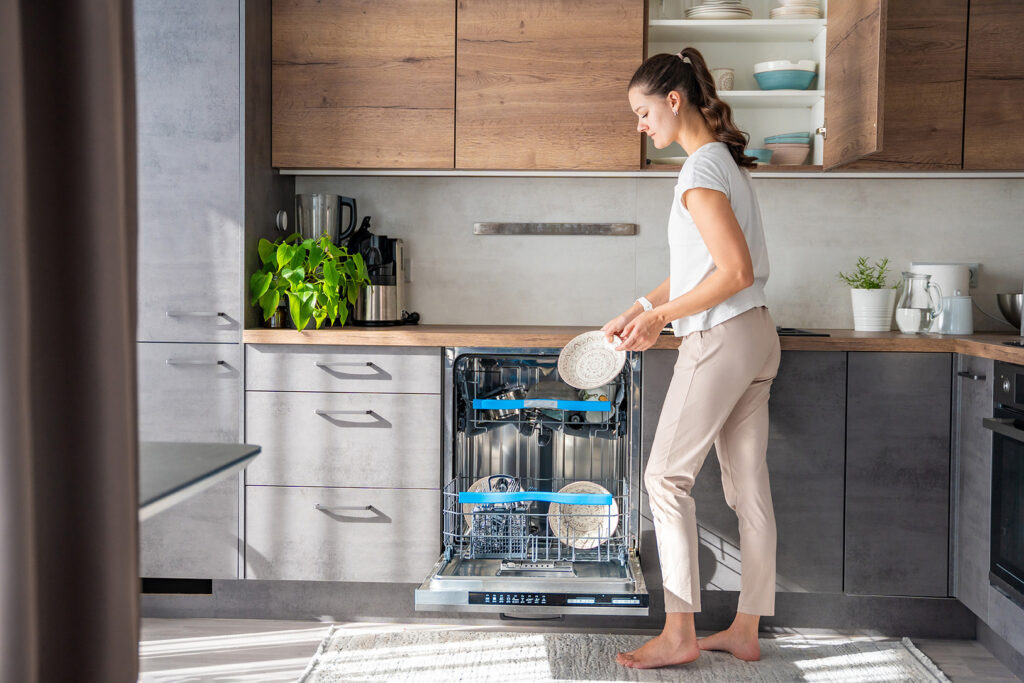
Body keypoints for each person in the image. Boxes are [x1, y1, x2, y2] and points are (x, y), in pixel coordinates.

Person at [602, 46, 781, 670]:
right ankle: (745, 629)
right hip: (757, 336)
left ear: (672, 100)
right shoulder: (723, 163)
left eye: (643, 111)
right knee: (748, 493)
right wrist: (638, 306)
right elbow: (699, 270)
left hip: (724, 336)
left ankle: (679, 632)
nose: (641, 125)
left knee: (664, 478)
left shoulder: (699, 171)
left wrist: (658, 319)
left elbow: (733, 272)